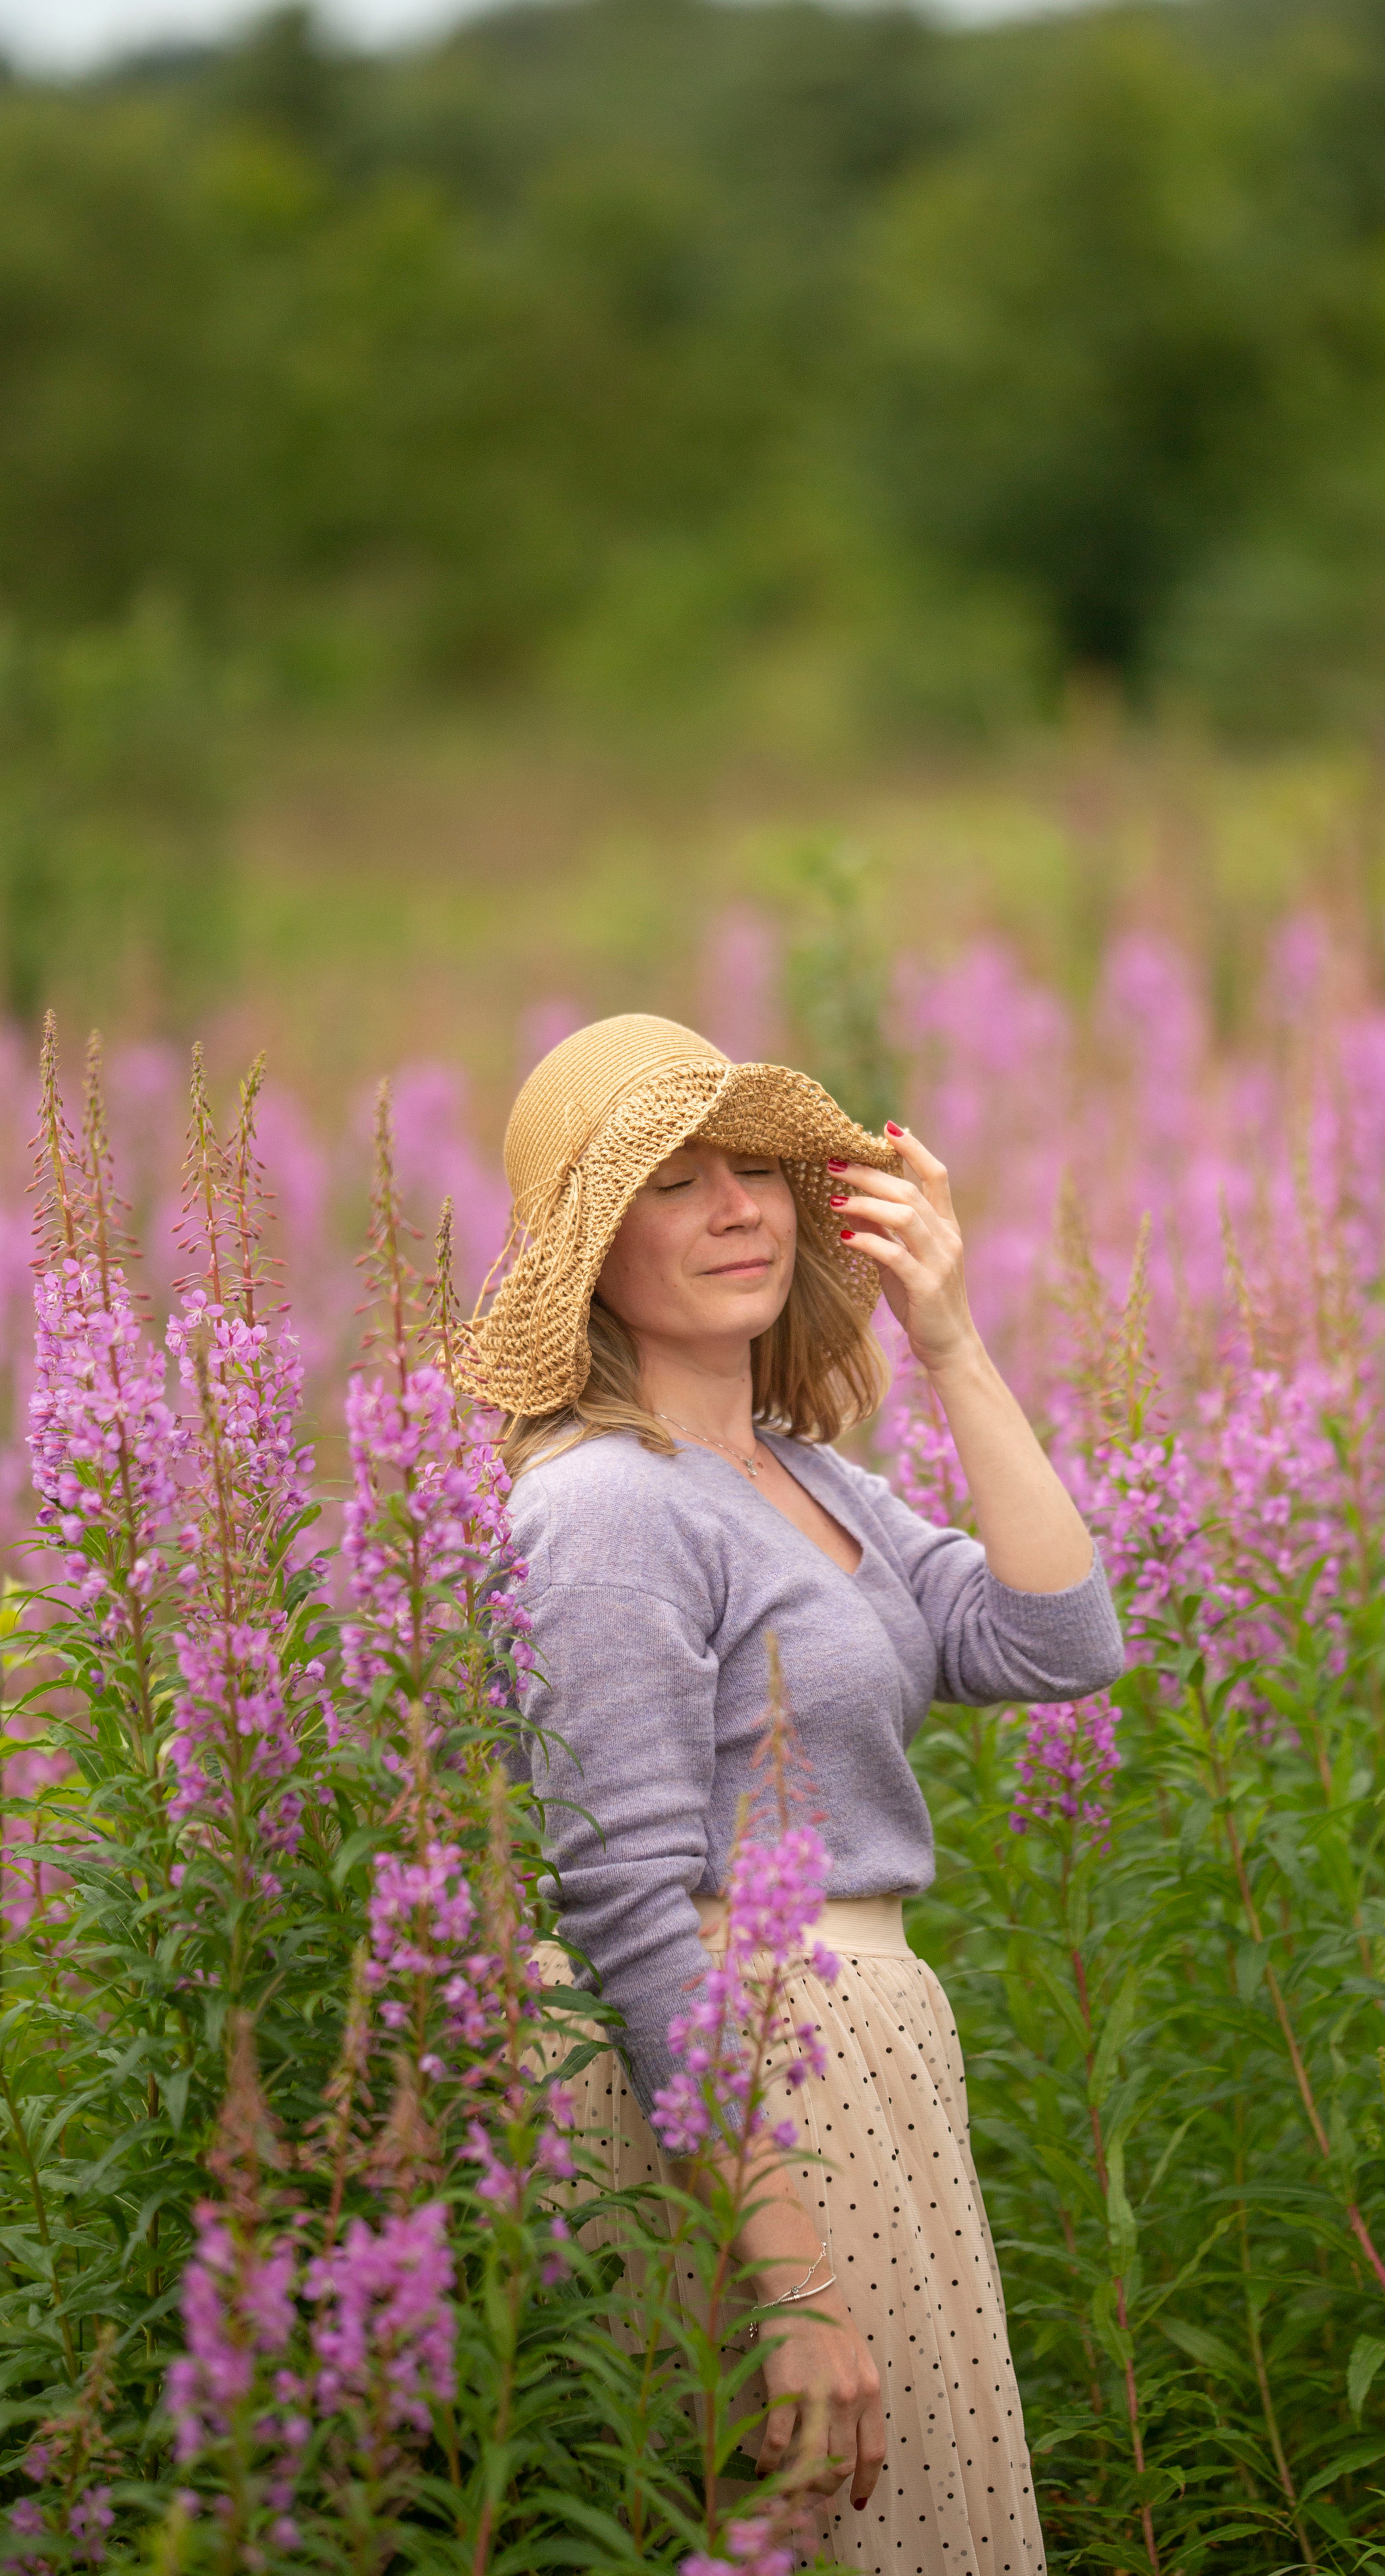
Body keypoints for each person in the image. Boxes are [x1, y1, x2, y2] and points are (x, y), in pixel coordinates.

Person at [462, 1013, 1125, 2576]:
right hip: (744, 2102)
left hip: (865, 2078)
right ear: (588, 1255)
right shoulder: (603, 1505)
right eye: (672, 1184)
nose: (739, 1209)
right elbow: (621, 1902)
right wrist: (789, 2275)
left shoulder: (800, 1475)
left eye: (755, 1172)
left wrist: (949, 1339)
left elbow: (1058, 1639)